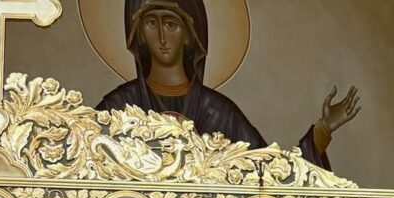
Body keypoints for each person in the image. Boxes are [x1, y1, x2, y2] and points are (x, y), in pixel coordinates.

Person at [97, 0, 360, 164]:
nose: (162, 37)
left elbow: (271, 175)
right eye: (151, 23)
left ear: (189, 36)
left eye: (171, 24)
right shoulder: (117, 107)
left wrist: (323, 131)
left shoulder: (219, 113)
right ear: (139, 34)